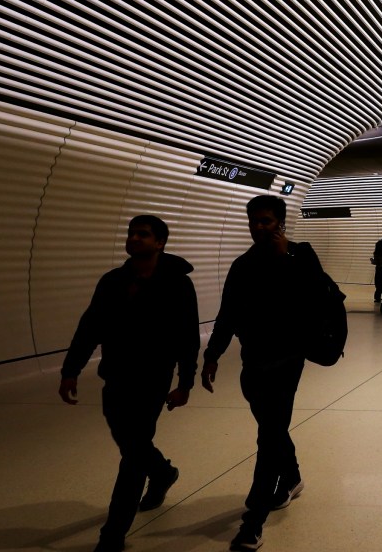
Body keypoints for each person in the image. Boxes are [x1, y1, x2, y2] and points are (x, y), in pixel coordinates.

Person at [58, 215, 199, 552]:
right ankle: (163, 473)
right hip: (116, 376)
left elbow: (187, 337)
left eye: (143, 234)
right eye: (131, 233)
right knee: (129, 442)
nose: (134, 238)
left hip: (153, 379)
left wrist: (185, 383)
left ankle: (113, 534)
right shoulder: (112, 281)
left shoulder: (177, 284)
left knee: (133, 454)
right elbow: (89, 327)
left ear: (160, 243)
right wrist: (71, 369)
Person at [201, 195, 331, 552]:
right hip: (253, 360)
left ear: (280, 224)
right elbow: (227, 314)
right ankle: (291, 477)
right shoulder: (242, 265)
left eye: (266, 221)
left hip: (288, 359)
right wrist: (212, 355)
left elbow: (320, 295)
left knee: (268, 435)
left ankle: (252, 522)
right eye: (254, 221)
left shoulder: (300, 254)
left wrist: (285, 257)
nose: (259, 227)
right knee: (271, 429)